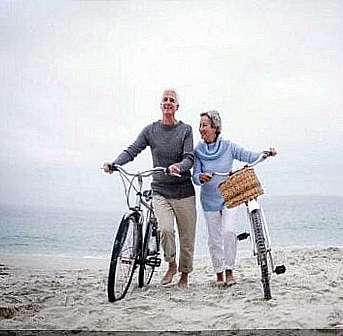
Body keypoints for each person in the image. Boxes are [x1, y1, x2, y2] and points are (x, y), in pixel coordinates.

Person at [103, 89, 197, 289]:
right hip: (160, 190)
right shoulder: (150, 131)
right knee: (165, 229)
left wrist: (177, 167)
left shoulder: (185, 130)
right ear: (161, 105)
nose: (168, 103)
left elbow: (189, 158)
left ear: (177, 106)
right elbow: (133, 150)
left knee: (187, 237)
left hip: (183, 191)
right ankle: (171, 264)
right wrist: (115, 164)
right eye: (165, 100)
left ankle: (184, 276)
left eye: (172, 100)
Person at [192, 110, 276, 286]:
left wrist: (265, 154)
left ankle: (229, 270)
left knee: (229, 232)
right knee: (214, 240)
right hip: (208, 200)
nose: (201, 129)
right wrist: (201, 177)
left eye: (204, 125)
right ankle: (219, 273)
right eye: (200, 125)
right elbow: (195, 176)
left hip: (230, 196)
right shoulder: (198, 151)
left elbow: (247, 155)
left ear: (215, 127)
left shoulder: (228, 146)